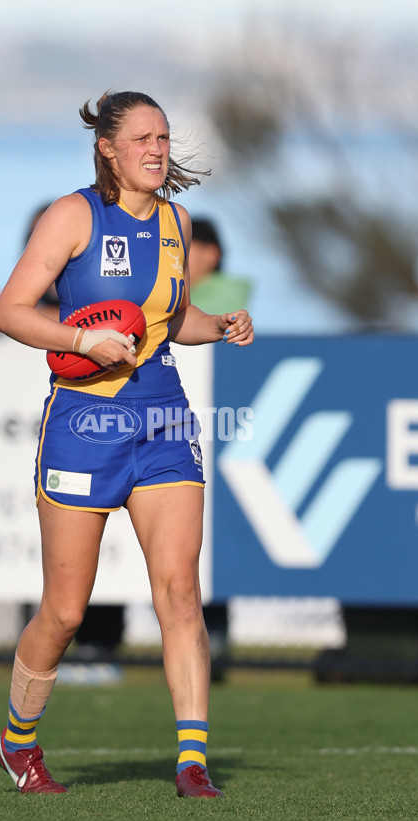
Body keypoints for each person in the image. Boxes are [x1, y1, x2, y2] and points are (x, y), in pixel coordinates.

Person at [0, 90, 254, 797]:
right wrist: (81, 338)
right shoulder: (74, 214)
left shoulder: (177, 219)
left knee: (179, 591)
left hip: (163, 418)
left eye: (164, 137)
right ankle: (18, 742)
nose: (158, 149)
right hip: (84, 423)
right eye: (143, 137)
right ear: (108, 147)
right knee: (66, 611)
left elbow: (169, 322)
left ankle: (192, 760)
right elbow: (8, 311)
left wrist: (220, 322)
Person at [187, 218, 253, 681]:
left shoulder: (228, 292)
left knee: (218, 542)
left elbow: (182, 319)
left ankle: (219, 645)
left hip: (216, 425)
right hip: (170, 422)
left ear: (211, 253)